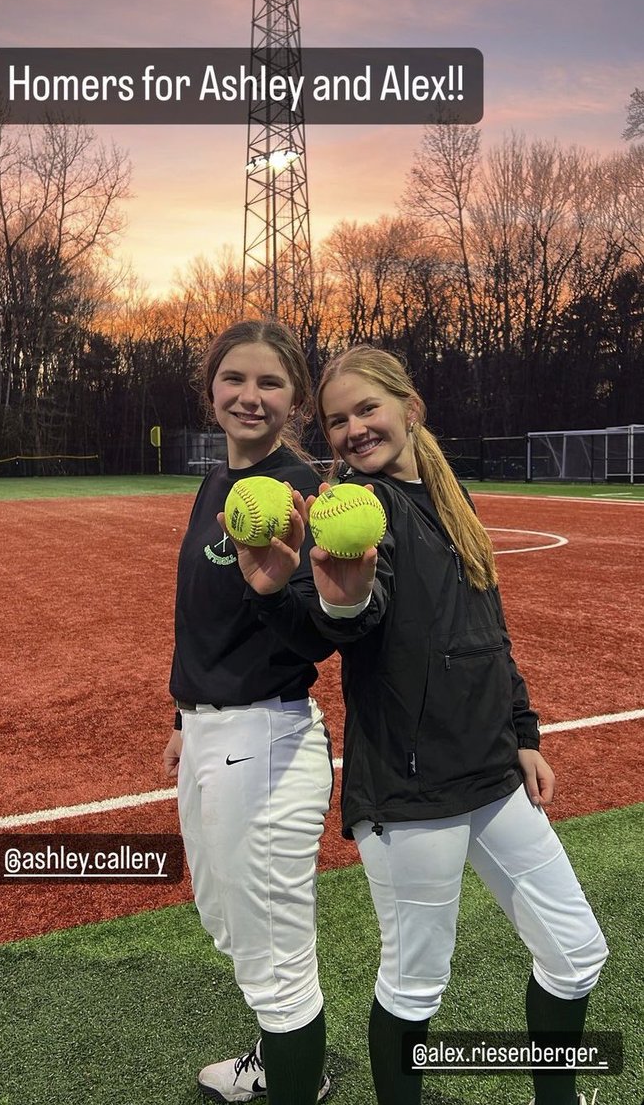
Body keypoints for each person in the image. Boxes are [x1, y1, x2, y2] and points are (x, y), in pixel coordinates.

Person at [249, 345, 608, 1105]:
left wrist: (525, 734)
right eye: (336, 421)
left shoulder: (450, 495)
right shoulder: (360, 508)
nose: (352, 430)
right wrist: (338, 599)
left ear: (411, 408)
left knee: (577, 953)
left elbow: (489, 626)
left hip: (490, 771)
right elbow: (352, 613)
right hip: (413, 790)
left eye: (366, 409)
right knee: (416, 987)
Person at [162, 319, 334, 1105]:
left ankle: (300, 1083)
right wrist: (182, 720)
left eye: (269, 383)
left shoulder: (308, 492)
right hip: (212, 731)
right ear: (211, 392)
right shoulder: (216, 483)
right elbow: (201, 615)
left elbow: (324, 632)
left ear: (294, 397)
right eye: (235, 379)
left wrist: (276, 589)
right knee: (229, 917)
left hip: (264, 733)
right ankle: (280, 1061)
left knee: (270, 947)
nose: (250, 396)